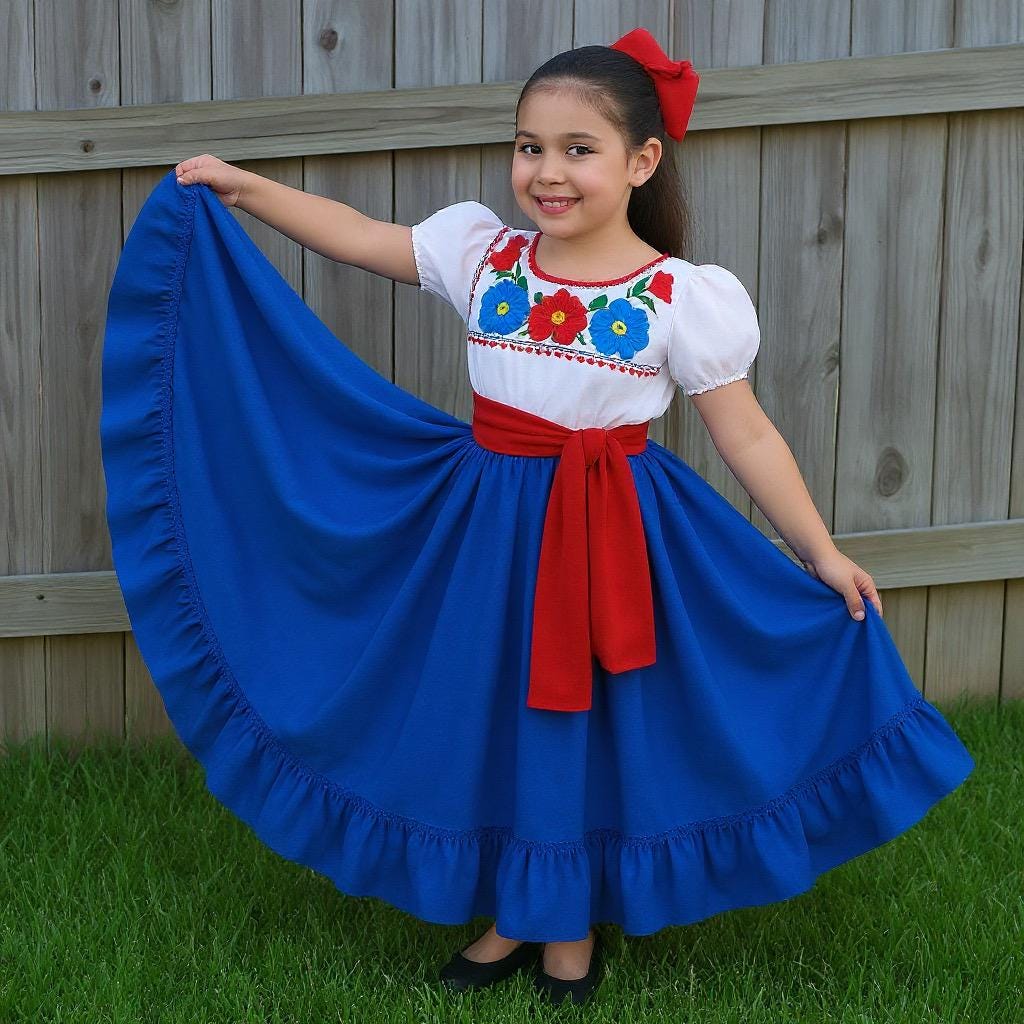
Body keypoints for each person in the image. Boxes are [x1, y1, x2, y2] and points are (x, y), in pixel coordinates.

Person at [102, 27, 974, 1008]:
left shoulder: (678, 297)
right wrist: (244, 189)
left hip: (614, 542)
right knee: (496, 712)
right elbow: (359, 233)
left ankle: (566, 925)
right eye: (530, 146)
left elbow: (750, 436)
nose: (547, 172)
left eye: (577, 149)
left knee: (586, 724)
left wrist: (820, 552)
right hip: (486, 535)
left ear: (641, 161)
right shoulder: (486, 257)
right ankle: (520, 906)